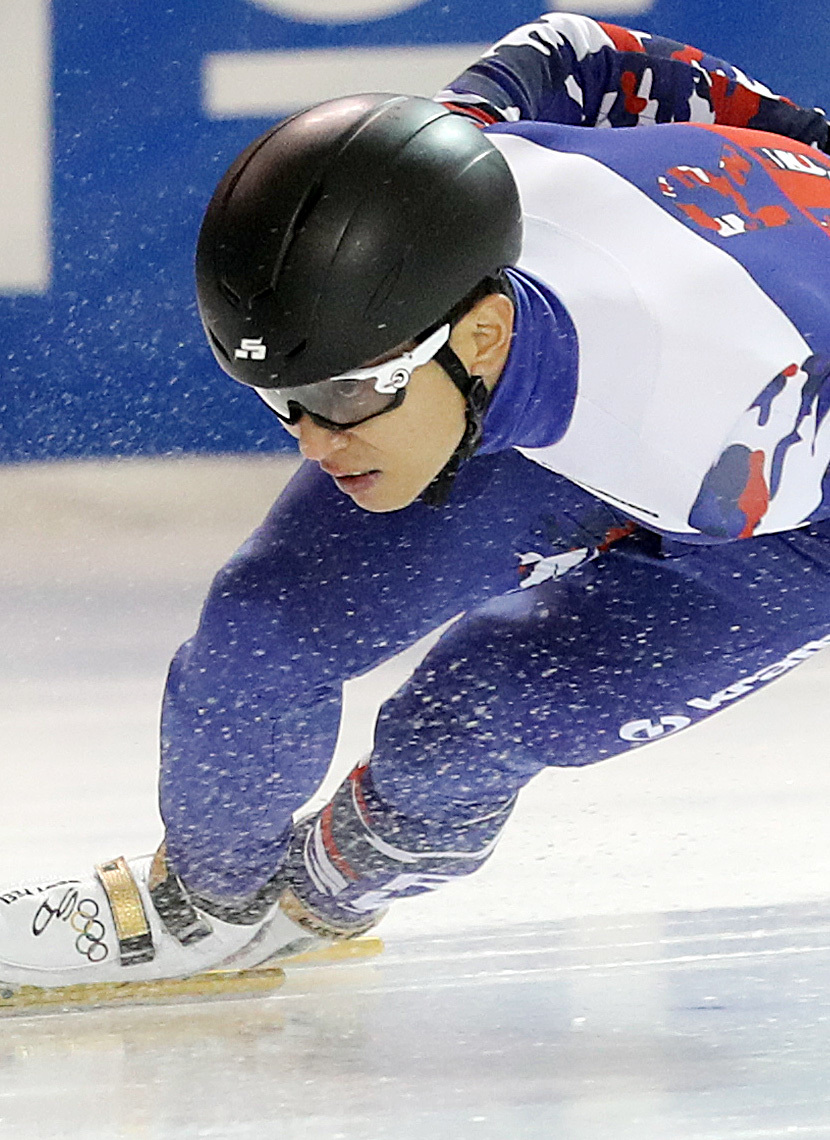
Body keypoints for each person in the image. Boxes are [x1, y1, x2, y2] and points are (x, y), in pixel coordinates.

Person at [2, 12, 830, 991]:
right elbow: (573, 48)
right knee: (266, 634)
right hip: (551, 381)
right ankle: (206, 908)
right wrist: (790, 127)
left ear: (478, 338)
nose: (314, 439)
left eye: (346, 394)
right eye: (282, 402)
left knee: (475, 719)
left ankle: (331, 892)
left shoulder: (717, 411)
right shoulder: (451, 169)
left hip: (783, 507)